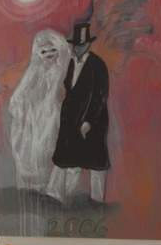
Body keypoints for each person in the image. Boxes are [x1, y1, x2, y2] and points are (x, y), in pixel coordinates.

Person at [47, 20, 110, 203]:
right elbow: (68, 89)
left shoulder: (98, 65)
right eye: (76, 45)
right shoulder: (71, 63)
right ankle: (61, 197)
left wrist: (89, 121)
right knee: (68, 159)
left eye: (82, 45)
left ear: (89, 44)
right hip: (71, 119)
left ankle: (97, 201)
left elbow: (100, 96)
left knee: (96, 162)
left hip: (92, 121)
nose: (78, 48)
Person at [9, 29, 69, 193]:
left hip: (54, 116)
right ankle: (36, 188)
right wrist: (21, 106)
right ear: (37, 54)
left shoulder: (62, 71)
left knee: (50, 148)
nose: (48, 54)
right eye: (43, 51)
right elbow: (19, 95)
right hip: (36, 118)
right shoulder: (35, 71)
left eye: (53, 50)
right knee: (35, 151)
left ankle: (53, 189)